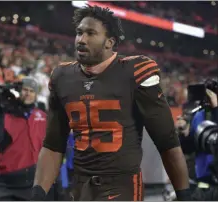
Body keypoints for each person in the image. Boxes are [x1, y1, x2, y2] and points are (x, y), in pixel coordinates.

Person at [31, 5, 191, 201]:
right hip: (81, 188)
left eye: (91, 33)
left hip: (121, 188)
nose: (81, 39)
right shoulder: (62, 77)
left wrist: (184, 195)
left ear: (109, 42)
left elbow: (168, 143)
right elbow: (53, 146)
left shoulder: (134, 72)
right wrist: (37, 194)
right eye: (79, 33)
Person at [0, 77, 54, 201]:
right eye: (25, 90)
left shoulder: (43, 117)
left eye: (31, 91)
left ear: (36, 95)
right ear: (18, 92)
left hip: (35, 180)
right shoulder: (4, 115)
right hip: (8, 182)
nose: (28, 93)